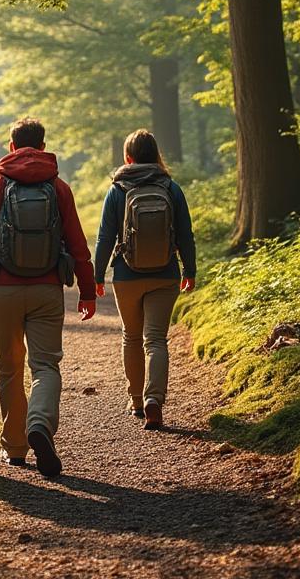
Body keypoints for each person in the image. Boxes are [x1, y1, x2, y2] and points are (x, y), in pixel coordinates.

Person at [0, 118, 96, 477]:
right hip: (47, 288)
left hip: (3, 290)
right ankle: (39, 424)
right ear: (42, 145)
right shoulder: (58, 186)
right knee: (46, 365)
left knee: (8, 366)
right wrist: (87, 291)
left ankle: (15, 447)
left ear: (11, 146)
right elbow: (77, 243)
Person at [93, 129, 197, 431]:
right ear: (156, 155)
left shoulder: (117, 189)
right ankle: (155, 399)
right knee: (156, 340)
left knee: (131, 337)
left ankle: (137, 400)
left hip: (126, 276)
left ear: (128, 157)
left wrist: (97, 275)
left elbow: (105, 238)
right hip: (165, 274)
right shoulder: (171, 188)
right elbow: (185, 235)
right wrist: (189, 270)